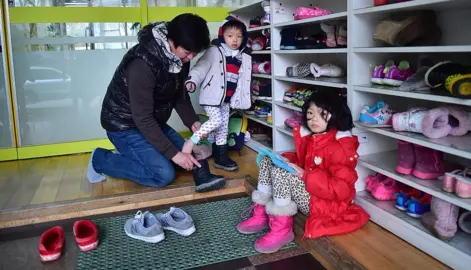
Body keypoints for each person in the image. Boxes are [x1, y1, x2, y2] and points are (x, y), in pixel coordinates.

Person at [86, 14, 226, 193]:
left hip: (151, 122)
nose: (190, 58)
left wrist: (193, 122)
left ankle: (138, 154)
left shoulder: (180, 58)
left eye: (195, 53)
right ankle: (100, 159)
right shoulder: (142, 64)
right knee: (163, 173)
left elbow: (179, 95)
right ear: (171, 41)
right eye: (187, 52)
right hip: (123, 126)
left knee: (186, 156)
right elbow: (142, 118)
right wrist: (174, 155)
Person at [236, 90, 370, 253]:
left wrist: (304, 174)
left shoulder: (340, 147)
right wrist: (287, 160)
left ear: (336, 114)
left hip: (325, 205)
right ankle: (260, 214)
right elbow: (304, 162)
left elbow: (340, 191)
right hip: (311, 192)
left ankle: (281, 230)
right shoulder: (315, 137)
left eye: (322, 114)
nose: (314, 119)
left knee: (280, 173)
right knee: (267, 160)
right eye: (310, 113)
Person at [182, 17, 252, 171]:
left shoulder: (243, 56)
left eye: (239, 36)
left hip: (226, 98)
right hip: (212, 96)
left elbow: (243, 79)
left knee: (223, 128)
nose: (235, 40)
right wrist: (192, 80)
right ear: (222, 36)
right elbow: (201, 67)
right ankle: (191, 142)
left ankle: (221, 157)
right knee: (217, 121)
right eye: (230, 36)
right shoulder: (215, 51)